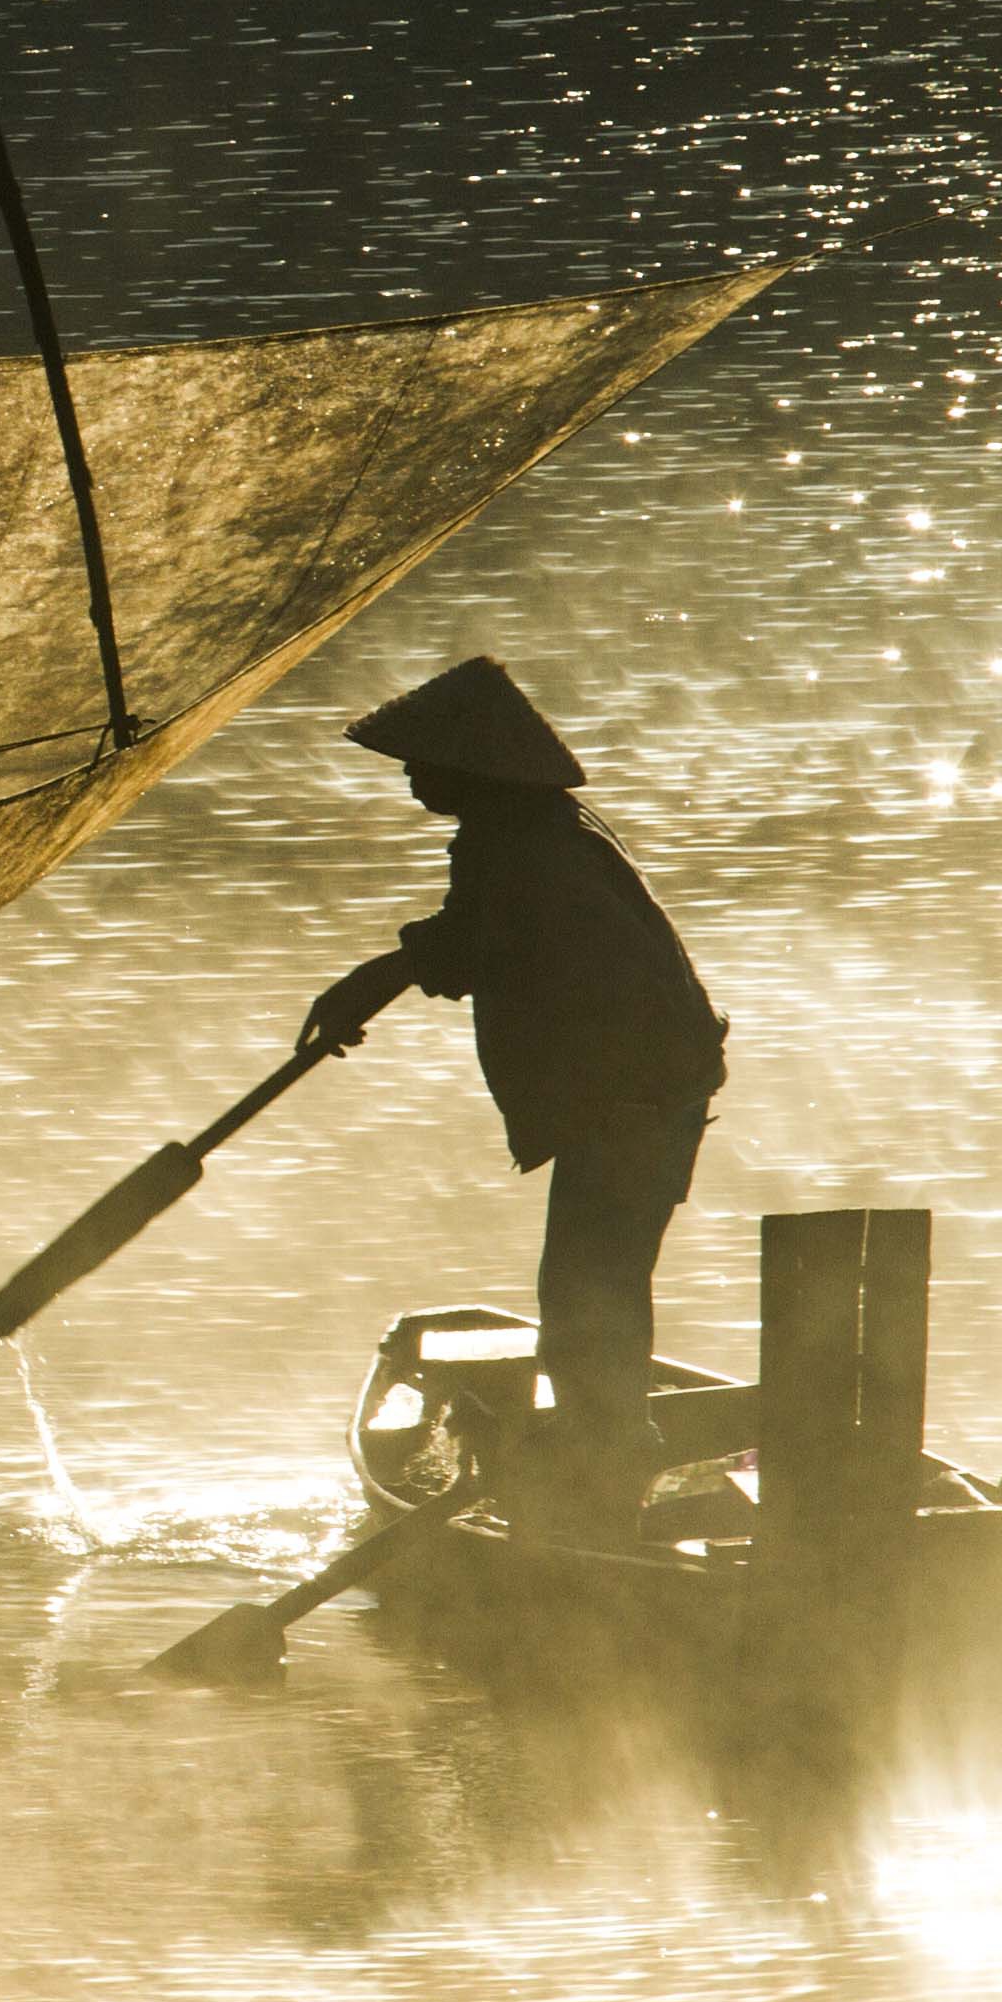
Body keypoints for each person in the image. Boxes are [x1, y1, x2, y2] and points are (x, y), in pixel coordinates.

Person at [299, 657, 725, 1539]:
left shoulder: (532, 851)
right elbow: (464, 944)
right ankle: (606, 1454)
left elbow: (472, 948)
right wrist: (365, 986)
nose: (412, 778)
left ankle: (608, 1470)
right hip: (636, 1092)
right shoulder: (517, 839)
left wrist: (372, 982)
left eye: (425, 764)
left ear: (474, 769)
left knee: (586, 1294)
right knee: (591, 1290)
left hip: (634, 1099)